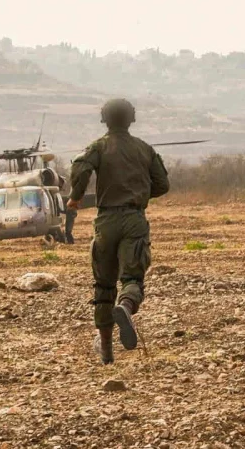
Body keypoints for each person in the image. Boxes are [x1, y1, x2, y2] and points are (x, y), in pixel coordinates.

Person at [67, 98, 170, 364]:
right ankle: (124, 307)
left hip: (106, 220)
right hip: (134, 218)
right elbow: (162, 184)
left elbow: (80, 167)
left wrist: (75, 196)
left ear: (104, 119)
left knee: (103, 285)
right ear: (131, 118)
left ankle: (106, 350)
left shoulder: (98, 147)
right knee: (132, 279)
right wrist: (140, 192)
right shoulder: (145, 149)